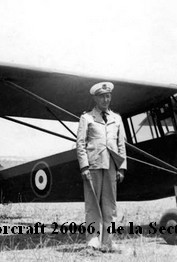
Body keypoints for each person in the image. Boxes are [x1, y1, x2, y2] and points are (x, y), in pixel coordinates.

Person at [76, 81, 127, 252]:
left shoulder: (117, 119)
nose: (106, 99)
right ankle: (92, 241)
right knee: (92, 206)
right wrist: (84, 167)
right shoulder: (87, 118)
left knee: (110, 207)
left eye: (108, 96)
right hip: (94, 166)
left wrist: (122, 168)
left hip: (111, 166)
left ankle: (108, 242)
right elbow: (80, 144)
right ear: (95, 98)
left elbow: (121, 145)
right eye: (102, 97)